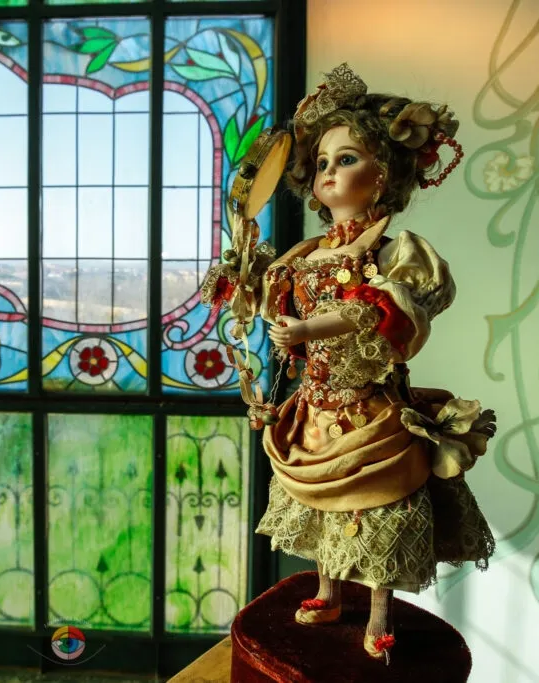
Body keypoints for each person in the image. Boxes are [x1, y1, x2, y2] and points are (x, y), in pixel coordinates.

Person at [210, 64, 497, 661]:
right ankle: (328, 591)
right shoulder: (305, 253)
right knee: (323, 506)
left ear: (384, 172)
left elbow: (379, 311)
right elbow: (270, 302)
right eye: (321, 162)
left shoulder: (394, 252)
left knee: (378, 505)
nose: (329, 172)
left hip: (371, 407)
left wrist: (308, 327)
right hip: (315, 405)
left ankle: (380, 612)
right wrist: (251, 282)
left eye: (346, 159)